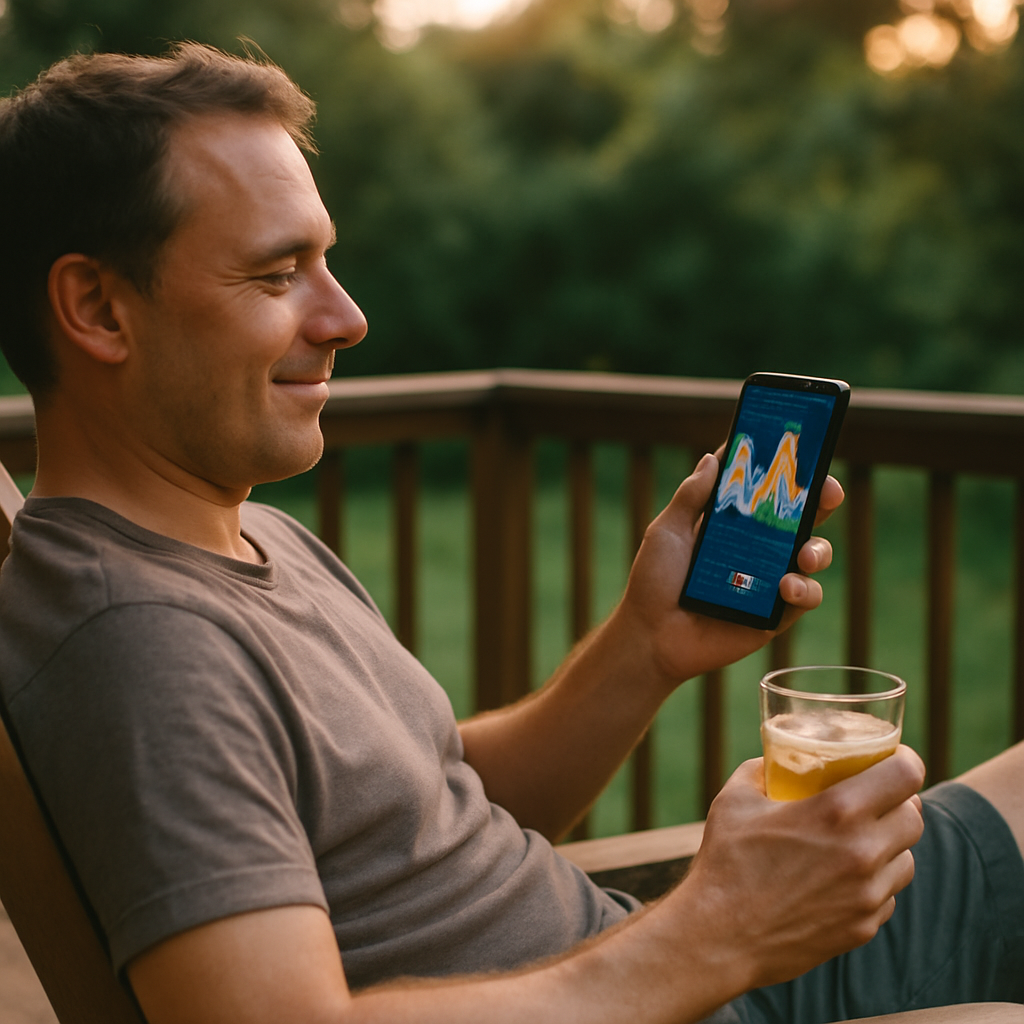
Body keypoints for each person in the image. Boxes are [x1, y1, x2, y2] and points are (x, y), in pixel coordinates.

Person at [0, 42, 1020, 1024]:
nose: (346, 317)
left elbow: (432, 809)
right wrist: (717, 929)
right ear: (97, 306)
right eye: (277, 274)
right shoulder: (138, 642)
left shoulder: (253, 539)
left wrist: (641, 646)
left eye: (327, 262)